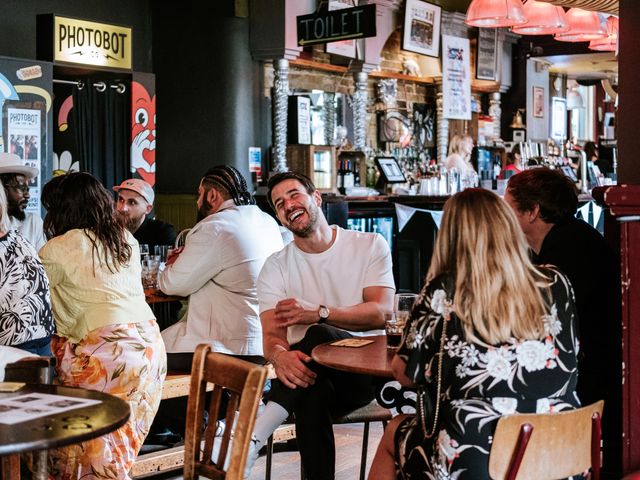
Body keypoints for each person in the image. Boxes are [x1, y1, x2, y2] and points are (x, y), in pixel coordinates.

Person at [369, 188, 580, 479]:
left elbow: (405, 375)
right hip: (562, 447)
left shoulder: (443, 289)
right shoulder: (557, 281)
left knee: (395, 430)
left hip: (477, 453)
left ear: (451, 235)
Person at [249, 171, 395, 479]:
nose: (288, 205)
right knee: (308, 386)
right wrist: (280, 356)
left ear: (316, 198)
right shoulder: (275, 267)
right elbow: (272, 339)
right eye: (279, 203)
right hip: (313, 375)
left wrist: (319, 313)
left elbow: (382, 312)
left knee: (318, 333)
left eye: (294, 195)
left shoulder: (369, 245)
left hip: (366, 376)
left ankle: (255, 435)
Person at [39, 172, 167, 479]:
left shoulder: (57, 248)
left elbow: (34, 301)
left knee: (90, 456)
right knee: (114, 451)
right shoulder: (126, 240)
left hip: (105, 352)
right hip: (149, 349)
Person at [504, 168, 621, 478]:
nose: (501, 216)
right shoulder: (562, 241)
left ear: (533, 212)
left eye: (508, 206)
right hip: (587, 380)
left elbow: (540, 328)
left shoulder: (567, 251)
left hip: (594, 388)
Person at [159, 165, 283, 368]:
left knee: (146, 356)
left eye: (200, 195)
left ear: (212, 195)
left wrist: (172, 265)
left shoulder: (214, 226)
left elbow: (171, 285)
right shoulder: (266, 221)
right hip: (262, 343)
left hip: (223, 346)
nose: (198, 202)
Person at [0, 179, 54, 355]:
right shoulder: (18, 239)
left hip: (13, 350)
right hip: (43, 342)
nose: (27, 194)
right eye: (20, 187)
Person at [113, 178, 176, 251]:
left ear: (148, 209)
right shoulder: (108, 231)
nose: (123, 208)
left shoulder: (162, 232)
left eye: (132, 202)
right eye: (121, 200)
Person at [0, 152, 46, 250]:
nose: (27, 195)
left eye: (27, 189)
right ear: (2, 189)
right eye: (21, 188)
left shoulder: (33, 222)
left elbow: (41, 264)